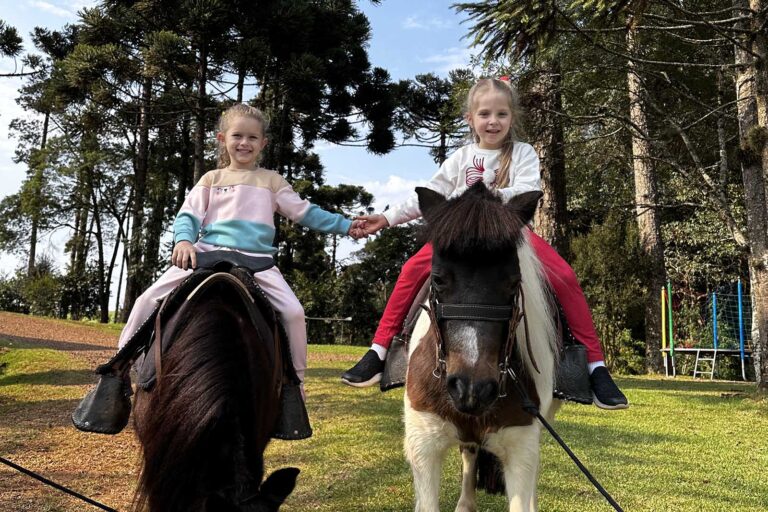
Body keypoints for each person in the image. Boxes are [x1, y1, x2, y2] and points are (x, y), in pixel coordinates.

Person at [341, 78, 628, 409]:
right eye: (485, 114)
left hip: (510, 236)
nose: (494, 122)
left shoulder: (522, 153)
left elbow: (525, 191)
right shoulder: (461, 157)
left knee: (564, 276)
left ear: (512, 117)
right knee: (410, 270)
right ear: (470, 119)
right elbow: (429, 194)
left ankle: (594, 366)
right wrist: (387, 218)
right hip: (461, 237)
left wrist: (478, 196)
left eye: (502, 114)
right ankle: (381, 349)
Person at [117, 103, 365, 397]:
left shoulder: (272, 181)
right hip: (206, 253)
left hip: (257, 262)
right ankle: (119, 367)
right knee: (147, 299)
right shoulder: (211, 179)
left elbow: (305, 213)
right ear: (223, 139)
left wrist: (346, 226)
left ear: (263, 143)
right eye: (237, 136)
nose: (244, 143)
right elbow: (188, 215)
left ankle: (294, 385)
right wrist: (183, 240)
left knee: (294, 313)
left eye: (252, 138)